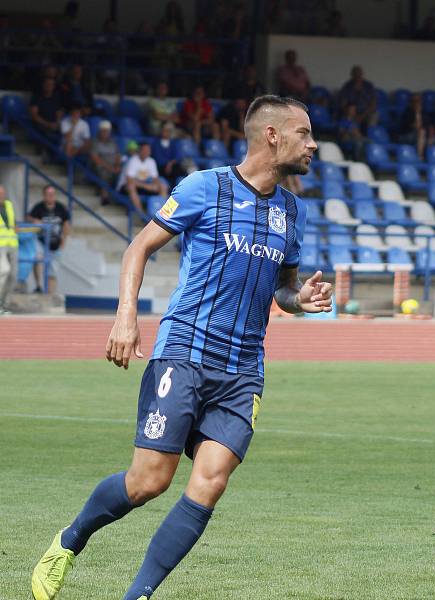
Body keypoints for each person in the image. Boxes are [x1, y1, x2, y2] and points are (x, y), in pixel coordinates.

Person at [31, 94, 333, 600]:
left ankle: (138, 595)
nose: (313, 143)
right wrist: (126, 315)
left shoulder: (291, 210)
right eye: (304, 133)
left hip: (243, 371)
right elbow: (139, 246)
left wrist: (299, 299)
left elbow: (284, 287)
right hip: (185, 353)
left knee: (211, 482)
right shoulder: (205, 187)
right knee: (148, 482)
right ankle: (70, 538)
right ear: (272, 136)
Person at [27, 185, 71, 294]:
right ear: (44, 196)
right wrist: (35, 221)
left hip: (56, 244)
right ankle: (38, 286)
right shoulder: (39, 207)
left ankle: (50, 293)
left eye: (53, 194)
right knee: (37, 259)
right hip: (41, 242)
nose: (51, 196)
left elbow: (66, 225)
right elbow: (28, 218)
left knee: (53, 271)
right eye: (48, 194)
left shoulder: (61, 208)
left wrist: (64, 240)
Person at [123, 141, 168, 215]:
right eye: (144, 150)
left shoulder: (151, 161)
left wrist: (154, 185)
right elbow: (130, 180)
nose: (146, 152)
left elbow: (155, 178)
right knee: (131, 186)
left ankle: (163, 214)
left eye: (148, 150)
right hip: (132, 186)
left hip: (145, 185)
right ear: (140, 151)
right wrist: (147, 186)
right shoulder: (133, 160)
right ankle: (141, 214)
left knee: (163, 185)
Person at [89, 120, 121, 204]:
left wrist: (117, 165)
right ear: (100, 131)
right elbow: (95, 158)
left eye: (107, 131)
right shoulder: (95, 142)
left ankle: (120, 199)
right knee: (104, 172)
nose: (105, 133)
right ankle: (105, 197)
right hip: (101, 166)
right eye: (103, 131)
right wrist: (109, 168)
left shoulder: (113, 142)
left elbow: (118, 155)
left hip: (113, 166)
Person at [29, 76, 64, 146]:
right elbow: (34, 115)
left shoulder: (56, 97)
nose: (49, 86)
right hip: (41, 125)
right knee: (49, 135)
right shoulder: (36, 97)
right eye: (47, 84)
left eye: (51, 84)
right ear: (43, 85)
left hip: (54, 125)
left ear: (54, 86)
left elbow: (59, 112)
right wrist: (47, 124)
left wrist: (57, 123)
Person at [0, 185, 18, 314]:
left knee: (13, 275)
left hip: (12, 244)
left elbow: (12, 223)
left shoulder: (8, 205)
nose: (1, 196)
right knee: (3, 271)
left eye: (3, 193)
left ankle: (4, 303)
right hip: (0, 245)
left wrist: (15, 228)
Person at [397, 93, 427, 159]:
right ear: (411, 103)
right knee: (421, 132)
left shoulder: (423, 113)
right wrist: (417, 113)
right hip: (405, 136)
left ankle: (434, 159)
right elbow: (417, 126)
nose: (417, 104)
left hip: (418, 137)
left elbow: (425, 126)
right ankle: (419, 156)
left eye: (419, 101)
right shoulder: (407, 112)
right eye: (415, 101)